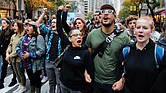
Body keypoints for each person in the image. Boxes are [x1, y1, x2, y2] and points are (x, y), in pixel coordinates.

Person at [85, 4, 129, 93]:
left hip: (114, 84)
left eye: (109, 12)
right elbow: (88, 57)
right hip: (95, 82)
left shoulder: (124, 38)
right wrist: (85, 72)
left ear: (115, 17)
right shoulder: (92, 35)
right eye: (102, 12)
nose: (105, 14)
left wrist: (122, 80)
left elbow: (129, 63)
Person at [117, 16, 166, 93]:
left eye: (145, 28)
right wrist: (122, 81)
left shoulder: (160, 53)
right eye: (138, 27)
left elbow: (162, 82)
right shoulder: (126, 51)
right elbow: (121, 71)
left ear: (152, 31)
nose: (140, 30)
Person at [57, 6, 94, 93]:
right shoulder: (68, 44)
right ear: (70, 38)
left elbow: (89, 69)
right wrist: (61, 12)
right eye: (75, 35)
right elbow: (61, 27)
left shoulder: (86, 48)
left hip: (78, 88)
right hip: (64, 85)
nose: (78, 37)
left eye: (80, 35)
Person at [36, 8, 61, 93]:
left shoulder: (63, 34)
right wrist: (43, 13)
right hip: (49, 61)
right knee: (51, 83)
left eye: (55, 22)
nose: (53, 23)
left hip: (58, 63)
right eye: (52, 22)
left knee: (59, 83)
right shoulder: (49, 32)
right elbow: (38, 23)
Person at [16, 21, 45, 93]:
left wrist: (29, 55)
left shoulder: (39, 37)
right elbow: (17, 47)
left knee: (37, 81)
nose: (27, 28)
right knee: (31, 80)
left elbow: (41, 51)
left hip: (36, 64)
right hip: (26, 63)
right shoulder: (24, 38)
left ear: (34, 28)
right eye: (26, 26)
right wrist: (21, 54)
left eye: (29, 26)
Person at [5, 20, 26, 93]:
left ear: (20, 27)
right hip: (12, 59)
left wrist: (9, 55)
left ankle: (23, 86)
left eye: (16, 26)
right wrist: (7, 52)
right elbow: (10, 45)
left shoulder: (22, 36)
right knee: (16, 73)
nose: (14, 27)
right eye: (13, 25)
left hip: (19, 58)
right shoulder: (13, 36)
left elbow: (19, 49)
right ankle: (20, 85)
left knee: (20, 73)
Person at [0, 18, 16, 89]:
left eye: (4, 23)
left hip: (11, 51)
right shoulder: (1, 32)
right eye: (2, 23)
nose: (2, 25)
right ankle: (1, 81)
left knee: (13, 66)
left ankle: (14, 79)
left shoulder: (12, 32)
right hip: (4, 51)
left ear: (8, 24)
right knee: (4, 66)